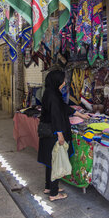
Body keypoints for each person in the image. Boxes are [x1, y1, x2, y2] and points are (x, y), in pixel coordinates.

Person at [38, 70, 89, 201]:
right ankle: (54, 194)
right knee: (56, 161)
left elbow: (64, 108)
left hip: (47, 131)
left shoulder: (51, 92)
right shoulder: (53, 96)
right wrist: (59, 134)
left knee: (50, 161)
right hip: (53, 133)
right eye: (63, 80)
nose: (64, 82)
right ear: (57, 80)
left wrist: (80, 114)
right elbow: (56, 116)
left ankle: (48, 187)